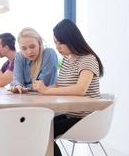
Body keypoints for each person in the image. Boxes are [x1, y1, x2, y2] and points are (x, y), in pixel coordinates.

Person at [33, 19, 104, 156]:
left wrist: (47, 91)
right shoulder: (67, 59)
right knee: (37, 127)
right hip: (71, 114)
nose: (57, 47)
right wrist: (41, 89)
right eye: (55, 43)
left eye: (60, 43)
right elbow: (60, 85)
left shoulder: (88, 59)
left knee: (44, 132)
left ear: (72, 40)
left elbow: (80, 89)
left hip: (86, 118)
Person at [11, 27, 58, 94]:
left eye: (32, 47)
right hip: (26, 100)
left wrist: (22, 87)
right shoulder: (19, 56)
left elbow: (41, 86)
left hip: (47, 99)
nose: (29, 52)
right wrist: (18, 85)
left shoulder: (49, 53)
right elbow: (17, 79)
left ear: (39, 43)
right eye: (24, 48)